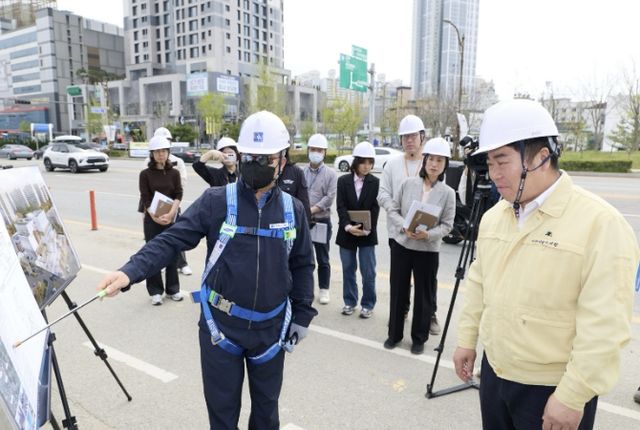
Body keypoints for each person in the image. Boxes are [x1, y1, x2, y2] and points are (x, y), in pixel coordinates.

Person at [97, 111, 317, 429]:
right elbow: (171, 240)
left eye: (265, 158)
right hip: (221, 329)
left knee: (267, 414)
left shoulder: (292, 210)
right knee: (222, 414)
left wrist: (302, 314)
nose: (255, 163)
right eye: (249, 156)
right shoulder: (216, 201)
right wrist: (130, 272)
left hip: (270, 332)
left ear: (282, 160)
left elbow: (303, 263)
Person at [452, 99, 640, 430]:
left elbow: (605, 324)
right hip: (495, 375)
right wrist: (467, 338)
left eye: (502, 161)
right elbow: (479, 282)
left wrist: (573, 395)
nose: (494, 174)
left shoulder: (600, 223)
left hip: (553, 389)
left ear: (541, 157)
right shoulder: (495, 217)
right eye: (489, 164)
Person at [384, 137, 455, 354]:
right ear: (424, 161)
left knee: (424, 296)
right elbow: (393, 209)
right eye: (431, 159)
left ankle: (419, 338)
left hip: (427, 250)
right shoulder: (408, 184)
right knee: (398, 291)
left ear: (445, 165)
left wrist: (428, 234)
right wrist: (403, 226)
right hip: (403, 245)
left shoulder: (448, 193)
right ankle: (394, 334)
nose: (434, 164)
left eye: (440, 160)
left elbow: (447, 225)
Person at [378, 114, 442, 335]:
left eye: (413, 136)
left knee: (428, 280)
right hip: (398, 232)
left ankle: (429, 314)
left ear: (422, 136)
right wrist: (398, 216)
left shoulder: (432, 162)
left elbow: (441, 196)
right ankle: (400, 311)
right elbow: (383, 193)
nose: (409, 140)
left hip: (426, 233)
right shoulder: (392, 165)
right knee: (400, 278)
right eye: (405, 137)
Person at [335, 141, 380, 318]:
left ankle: (368, 304)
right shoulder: (343, 181)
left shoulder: (375, 182)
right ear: (356, 162)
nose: (367, 166)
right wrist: (347, 226)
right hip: (347, 232)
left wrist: (367, 229)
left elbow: (375, 208)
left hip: (367, 233)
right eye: (363, 162)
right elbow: (341, 206)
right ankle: (349, 301)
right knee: (348, 269)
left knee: (368, 271)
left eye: (370, 162)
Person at [138, 135, 184, 305]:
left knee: (172, 253)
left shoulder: (175, 173)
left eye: (164, 151)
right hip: (152, 220)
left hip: (171, 218)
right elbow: (145, 197)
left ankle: (173, 289)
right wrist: (155, 217)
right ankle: (155, 291)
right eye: (157, 151)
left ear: (168, 152)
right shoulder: (145, 174)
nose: (161, 154)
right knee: (153, 254)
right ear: (152, 154)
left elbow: (178, 193)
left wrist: (171, 214)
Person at [143, 126, 193, 276]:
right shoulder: (147, 162)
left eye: (166, 141)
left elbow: (182, 183)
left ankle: (182, 263)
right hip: (154, 207)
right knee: (154, 239)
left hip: (173, 205)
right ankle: (160, 263)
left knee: (176, 236)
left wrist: (171, 205)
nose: (161, 151)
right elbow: (146, 189)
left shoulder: (178, 161)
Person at [303, 133, 337, 305]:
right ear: (308, 150)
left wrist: (311, 210)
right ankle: (306, 289)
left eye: (319, 150)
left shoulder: (331, 174)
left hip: (321, 220)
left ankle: (324, 289)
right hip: (304, 221)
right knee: (304, 257)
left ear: (324, 152)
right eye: (313, 149)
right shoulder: (301, 172)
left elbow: (329, 198)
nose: (316, 153)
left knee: (323, 258)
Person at [278, 147, 312, 220]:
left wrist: (305, 224)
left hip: (289, 222)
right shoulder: (260, 172)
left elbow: (304, 206)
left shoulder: (296, 172)